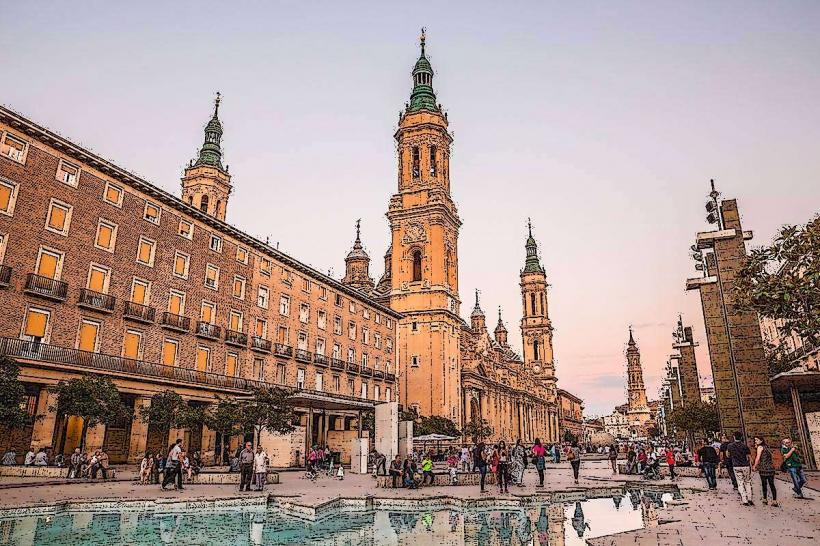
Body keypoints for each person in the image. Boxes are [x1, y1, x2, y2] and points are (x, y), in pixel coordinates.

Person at [727, 432, 753, 506]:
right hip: (745, 466)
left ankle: (744, 500)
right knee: (747, 481)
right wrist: (752, 466)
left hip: (736, 466)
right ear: (741, 437)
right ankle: (750, 498)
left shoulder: (730, 446)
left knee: (740, 482)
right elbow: (749, 457)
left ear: (734, 437)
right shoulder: (745, 446)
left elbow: (728, 455)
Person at [752, 435, 778, 507]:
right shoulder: (767, 447)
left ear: (761, 441)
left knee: (764, 484)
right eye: (755, 440)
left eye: (757, 440)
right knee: (772, 484)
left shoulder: (760, 447)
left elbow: (758, 457)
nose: (755, 441)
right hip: (770, 467)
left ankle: (765, 498)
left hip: (763, 467)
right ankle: (774, 500)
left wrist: (754, 465)